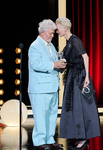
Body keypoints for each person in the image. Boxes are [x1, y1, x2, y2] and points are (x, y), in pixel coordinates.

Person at [55, 17, 101, 149]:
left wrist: (87, 76)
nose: (57, 31)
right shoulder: (69, 42)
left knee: (84, 107)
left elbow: (85, 56)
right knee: (75, 107)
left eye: (58, 28)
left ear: (65, 28)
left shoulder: (75, 40)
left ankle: (84, 138)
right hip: (73, 77)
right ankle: (78, 135)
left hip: (80, 78)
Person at [28, 19, 66, 150]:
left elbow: (54, 63)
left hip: (52, 86)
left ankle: (50, 140)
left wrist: (60, 66)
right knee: (40, 116)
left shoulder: (50, 46)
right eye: (50, 33)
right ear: (43, 32)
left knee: (51, 115)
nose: (52, 35)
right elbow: (35, 64)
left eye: (53, 33)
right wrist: (53, 65)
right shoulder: (35, 46)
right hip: (40, 88)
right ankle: (39, 142)